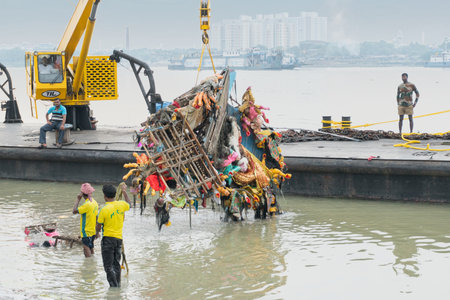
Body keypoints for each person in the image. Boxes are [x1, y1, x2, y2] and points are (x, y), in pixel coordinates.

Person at [96, 184, 132, 288]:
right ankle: (118, 285)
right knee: (116, 264)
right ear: (115, 194)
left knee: (108, 266)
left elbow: (98, 226)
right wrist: (125, 192)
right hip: (118, 240)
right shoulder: (121, 204)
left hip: (108, 239)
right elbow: (130, 204)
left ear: (104, 196)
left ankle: (114, 288)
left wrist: (96, 233)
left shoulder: (104, 209)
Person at [72, 183, 99, 258]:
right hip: (93, 230)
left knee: (86, 247)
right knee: (91, 247)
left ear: (82, 194)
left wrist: (78, 199)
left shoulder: (87, 204)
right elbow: (97, 217)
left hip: (86, 231)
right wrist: (97, 231)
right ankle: (93, 263)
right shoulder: (94, 202)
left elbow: (74, 211)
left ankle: (89, 265)